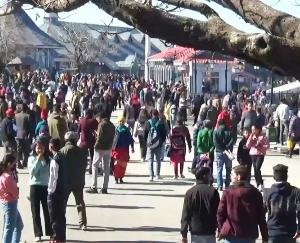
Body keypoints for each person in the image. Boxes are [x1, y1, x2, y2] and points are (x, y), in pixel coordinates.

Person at [217, 165, 268, 243]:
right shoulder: (256, 193)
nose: (230, 176)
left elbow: (220, 214)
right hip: (249, 235)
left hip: (231, 234)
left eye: (232, 174)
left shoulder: (228, 192)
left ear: (238, 176)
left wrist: (222, 230)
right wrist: (265, 237)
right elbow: (261, 217)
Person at [181, 167, 220, 243]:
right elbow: (218, 212)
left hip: (195, 231)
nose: (211, 177)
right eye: (210, 175)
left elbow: (185, 214)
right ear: (204, 176)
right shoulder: (213, 192)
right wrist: (220, 227)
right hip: (210, 231)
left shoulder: (190, 192)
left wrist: (184, 233)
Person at [266, 164, 300, 243]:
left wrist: (264, 230)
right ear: (286, 176)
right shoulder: (296, 192)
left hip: (273, 232)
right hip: (290, 231)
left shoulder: (268, 192)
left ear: (274, 177)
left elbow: (261, 213)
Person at [60, 131, 87, 230]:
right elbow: (84, 166)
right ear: (75, 140)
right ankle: (83, 223)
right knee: (80, 202)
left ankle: (62, 221)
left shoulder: (62, 151)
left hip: (65, 181)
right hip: (78, 180)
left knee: (63, 203)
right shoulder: (82, 151)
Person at [28, 137, 52, 242]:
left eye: (41, 148)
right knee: (35, 212)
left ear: (45, 148)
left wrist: (43, 161)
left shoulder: (49, 159)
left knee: (47, 211)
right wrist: (38, 160)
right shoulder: (31, 158)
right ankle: (38, 234)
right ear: (34, 148)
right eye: (38, 148)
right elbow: (32, 172)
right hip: (34, 186)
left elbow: (48, 172)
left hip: (45, 187)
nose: (39, 150)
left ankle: (50, 232)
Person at [86, 111, 115, 194]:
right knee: (106, 167)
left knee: (95, 165)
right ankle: (105, 188)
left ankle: (94, 186)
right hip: (108, 148)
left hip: (100, 148)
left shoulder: (101, 124)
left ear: (100, 117)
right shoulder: (112, 125)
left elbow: (99, 137)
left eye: (97, 119)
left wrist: (95, 145)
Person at [0, 153, 23, 243]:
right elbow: (15, 193)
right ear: (9, 164)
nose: (15, 165)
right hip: (10, 203)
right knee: (9, 229)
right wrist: (17, 191)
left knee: (18, 225)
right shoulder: (7, 177)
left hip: (7, 203)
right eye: (14, 163)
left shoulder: (4, 174)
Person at [48, 138, 66, 243]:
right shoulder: (63, 157)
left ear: (51, 146)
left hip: (55, 191)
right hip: (62, 190)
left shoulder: (55, 160)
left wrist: (50, 191)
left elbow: (53, 178)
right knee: (61, 216)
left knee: (54, 217)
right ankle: (62, 238)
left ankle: (56, 238)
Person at [144, 109, 167, 181]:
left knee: (150, 160)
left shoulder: (148, 122)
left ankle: (151, 176)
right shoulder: (161, 122)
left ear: (151, 114)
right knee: (158, 160)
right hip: (158, 144)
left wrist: (146, 142)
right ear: (158, 114)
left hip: (150, 144)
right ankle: (157, 175)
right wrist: (162, 141)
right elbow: (164, 133)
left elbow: (145, 133)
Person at [246, 124, 270, 191]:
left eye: (254, 129)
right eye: (252, 129)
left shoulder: (263, 136)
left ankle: (260, 183)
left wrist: (260, 146)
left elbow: (267, 146)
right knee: (255, 169)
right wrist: (250, 136)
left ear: (258, 129)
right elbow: (247, 145)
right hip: (252, 154)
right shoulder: (252, 136)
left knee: (257, 168)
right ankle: (259, 183)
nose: (253, 131)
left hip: (260, 154)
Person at [213, 119, 235, 191]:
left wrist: (222, 149)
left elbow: (216, 143)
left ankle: (220, 185)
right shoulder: (230, 131)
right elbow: (233, 140)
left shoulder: (216, 131)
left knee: (219, 169)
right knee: (228, 169)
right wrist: (227, 148)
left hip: (219, 152)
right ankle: (227, 184)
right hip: (228, 152)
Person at [112, 115, 134, 184]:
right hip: (124, 150)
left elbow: (112, 140)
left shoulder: (116, 130)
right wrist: (132, 147)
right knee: (123, 165)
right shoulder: (127, 130)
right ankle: (120, 178)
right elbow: (131, 140)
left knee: (117, 164)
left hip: (117, 150)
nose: (121, 122)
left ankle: (116, 178)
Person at [78, 109, 98, 174]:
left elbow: (79, 131)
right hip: (92, 141)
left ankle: (83, 168)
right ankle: (91, 169)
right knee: (92, 156)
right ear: (91, 114)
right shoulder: (93, 121)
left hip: (83, 141)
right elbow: (97, 129)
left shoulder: (81, 120)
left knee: (84, 156)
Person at [15, 103, 31, 168]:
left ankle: (18, 163)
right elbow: (30, 127)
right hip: (25, 135)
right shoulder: (28, 116)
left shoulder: (16, 115)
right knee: (26, 150)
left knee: (18, 150)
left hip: (17, 135)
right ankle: (24, 162)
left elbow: (14, 125)